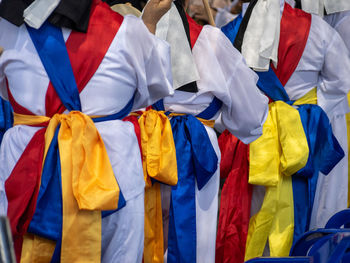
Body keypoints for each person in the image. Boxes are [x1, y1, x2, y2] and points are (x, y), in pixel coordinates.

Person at [0, 0, 173, 262]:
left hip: (26, 174)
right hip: (113, 179)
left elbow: (6, 90)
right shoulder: (130, 31)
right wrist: (149, 23)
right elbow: (153, 89)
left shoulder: (6, 28)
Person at [217, 0, 350, 261]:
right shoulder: (318, 30)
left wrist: (250, 117)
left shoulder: (225, 35)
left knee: (249, 212)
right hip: (301, 140)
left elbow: (221, 95)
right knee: (313, 211)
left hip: (253, 141)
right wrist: (309, 112)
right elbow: (341, 79)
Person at [149, 0, 269, 262]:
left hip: (139, 145)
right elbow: (250, 117)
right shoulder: (211, 42)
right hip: (194, 148)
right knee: (195, 238)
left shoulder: (124, 35)